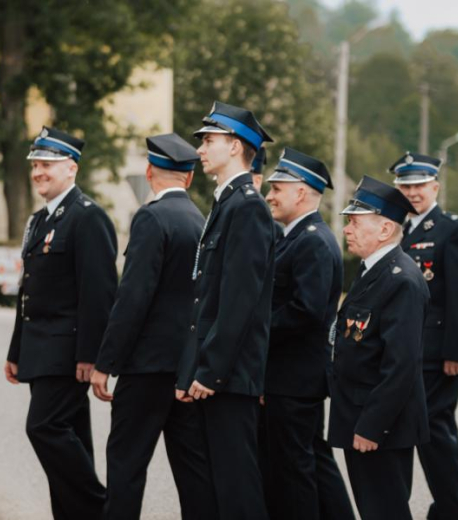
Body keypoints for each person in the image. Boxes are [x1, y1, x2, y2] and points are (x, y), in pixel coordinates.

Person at [90, 133, 217, 520]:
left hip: (145, 367)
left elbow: (133, 299)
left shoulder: (151, 217)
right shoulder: (202, 221)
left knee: (127, 465)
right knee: (193, 469)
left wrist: (105, 363)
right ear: (190, 178)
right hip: (185, 367)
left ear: (149, 171)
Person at [5, 126, 118, 519]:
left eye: (47, 164)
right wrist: (15, 350)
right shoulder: (39, 221)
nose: (38, 171)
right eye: (36, 164)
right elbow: (27, 290)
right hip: (39, 351)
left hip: (68, 351)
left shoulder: (88, 218)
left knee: (44, 428)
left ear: (71, 168)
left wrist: (91, 354)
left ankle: (102, 507)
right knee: (72, 436)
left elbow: (99, 293)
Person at [175, 101, 275, 520]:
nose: (201, 148)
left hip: (230, 375)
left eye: (209, 140)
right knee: (218, 482)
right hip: (217, 371)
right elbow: (206, 297)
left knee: (237, 487)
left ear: (235, 146)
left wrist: (211, 370)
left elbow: (239, 299)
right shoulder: (227, 201)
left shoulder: (247, 206)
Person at [261, 147, 355, 520]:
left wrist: (256, 328)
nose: (270, 195)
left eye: (277, 188)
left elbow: (307, 311)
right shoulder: (294, 236)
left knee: (294, 470)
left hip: (295, 378)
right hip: (290, 376)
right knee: (312, 461)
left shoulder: (313, 240)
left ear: (301, 192)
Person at [329, 176, 429, 520]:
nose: (347, 230)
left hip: (380, 427)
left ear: (385, 230)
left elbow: (401, 365)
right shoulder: (374, 270)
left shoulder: (401, 279)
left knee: (385, 510)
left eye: (355, 222)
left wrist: (373, 426)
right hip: (361, 415)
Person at [390, 152, 458, 520]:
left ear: (435, 186)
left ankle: (457, 510)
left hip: (436, 352)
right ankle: (447, 507)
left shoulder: (453, 229)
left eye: (419, 186)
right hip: (404, 348)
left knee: (436, 436)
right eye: (405, 185)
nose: (412, 193)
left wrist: (457, 351)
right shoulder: (396, 228)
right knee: (410, 434)